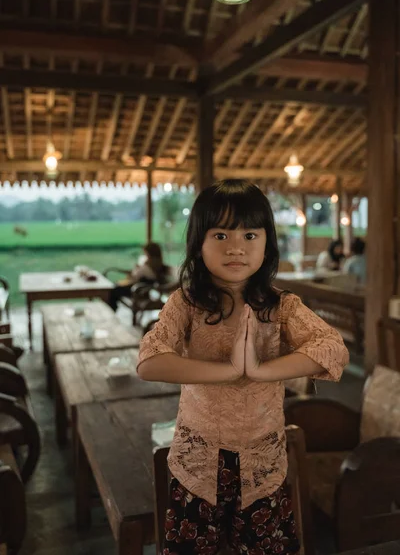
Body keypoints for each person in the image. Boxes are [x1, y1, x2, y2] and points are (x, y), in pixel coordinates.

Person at [138, 179, 349, 554]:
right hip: (197, 467)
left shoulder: (282, 306)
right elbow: (150, 361)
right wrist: (230, 370)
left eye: (250, 234)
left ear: (267, 242)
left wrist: (261, 370)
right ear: (198, 243)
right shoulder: (186, 303)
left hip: (262, 467)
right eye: (220, 235)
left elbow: (332, 348)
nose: (236, 247)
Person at [108, 242, 171, 312]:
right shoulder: (154, 264)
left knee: (114, 289)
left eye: (146, 253)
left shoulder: (148, 265)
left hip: (139, 290)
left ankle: (112, 310)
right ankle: (113, 309)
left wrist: (137, 269)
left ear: (150, 253)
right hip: (141, 289)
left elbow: (136, 276)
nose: (145, 254)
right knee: (114, 288)